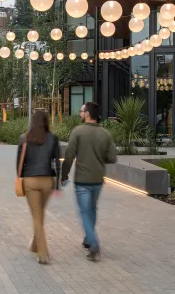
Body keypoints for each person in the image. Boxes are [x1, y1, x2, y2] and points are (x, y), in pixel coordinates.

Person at [61, 101, 116, 261]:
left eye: (81, 111)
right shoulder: (105, 133)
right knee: (92, 210)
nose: (80, 113)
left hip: (82, 181)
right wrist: (98, 158)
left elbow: (69, 156)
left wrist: (64, 176)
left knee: (85, 212)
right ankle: (87, 239)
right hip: (98, 180)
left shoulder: (78, 132)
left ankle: (94, 244)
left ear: (88, 114)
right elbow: (112, 157)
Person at [16, 110, 60, 265]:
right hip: (47, 181)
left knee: (37, 216)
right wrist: (58, 184)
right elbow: (57, 162)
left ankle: (43, 253)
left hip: (30, 181)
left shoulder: (25, 138)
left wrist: (20, 178)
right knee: (40, 214)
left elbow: (19, 163)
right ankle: (35, 245)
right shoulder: (53, 138)